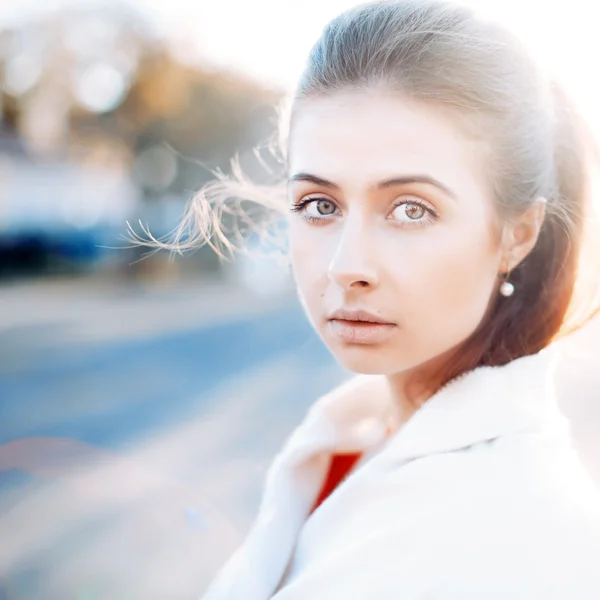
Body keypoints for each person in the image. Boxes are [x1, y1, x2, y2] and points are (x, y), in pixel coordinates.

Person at [138, 0, 600, 597]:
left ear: (517, 233)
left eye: (411, 209)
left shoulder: (515, 532)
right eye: (319, 205)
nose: (346, 267)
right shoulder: (351, 442)